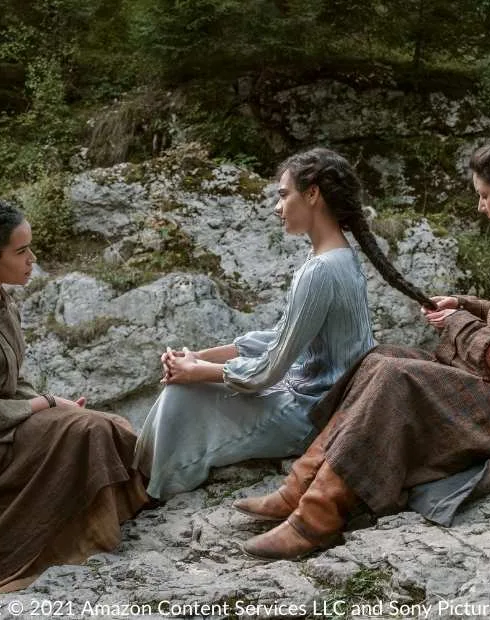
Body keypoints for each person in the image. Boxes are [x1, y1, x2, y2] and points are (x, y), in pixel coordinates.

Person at [238, 131, 490, 560]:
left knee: (398, 378)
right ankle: (301, 486)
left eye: (485, 194)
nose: (480, 206)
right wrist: (467, 306)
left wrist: (456, 323)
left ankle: (316, 518)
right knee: (381, 359)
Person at [133, 147, 435, 501]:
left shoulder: (323, 269)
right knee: (187, 387)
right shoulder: (335, 257)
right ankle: (147, 477)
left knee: (184, 394)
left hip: (310, 414)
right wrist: (199, 357)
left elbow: (267, 373)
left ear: (312, 194)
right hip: (311, 397)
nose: (277, 207)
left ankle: (150, 489)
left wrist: (197, 371)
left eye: (283, 195)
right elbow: (281, 337)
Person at [0, 197, 147, 604]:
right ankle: (79, 531)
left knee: (107, 424)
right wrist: (46, 405)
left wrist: (54, 403)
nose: (31, 259)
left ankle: (119, 504)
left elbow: (10, 383)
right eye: (21, 251)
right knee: (85, 430)